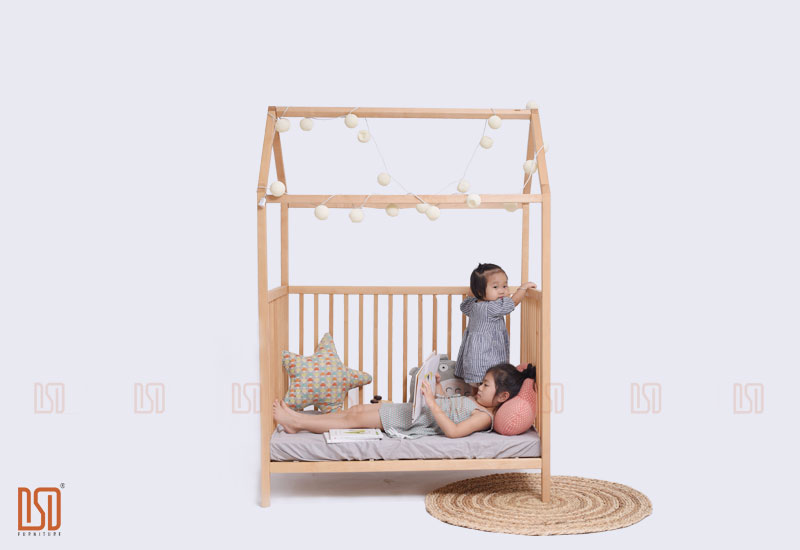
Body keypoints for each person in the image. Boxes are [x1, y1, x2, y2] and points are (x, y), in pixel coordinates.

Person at [272, 363, 536, 439]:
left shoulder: (484, 418)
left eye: (486, 385)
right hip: (413, 411)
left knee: (353, 418)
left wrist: (431, 402)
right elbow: (450, 408)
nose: (479, 387)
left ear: (503, 397)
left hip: (413, 421)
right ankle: (299, 419)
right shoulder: (477, 403)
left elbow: (454, 431)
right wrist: (436, 389)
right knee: (356, 409)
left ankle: (297, 422)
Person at [455, 263, 537, 390]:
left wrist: (474, 292)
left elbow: (464, 305)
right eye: (495, 287)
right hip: (486, 357)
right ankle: (481, 400)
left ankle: (475, 397)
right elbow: (513, 302)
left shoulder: (473, 305)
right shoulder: (491, 308)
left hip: (473, 358)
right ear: (480, 291)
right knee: (490, 381)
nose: (502, 290)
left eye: (505, 285)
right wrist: (523, 288)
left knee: (479, 385)